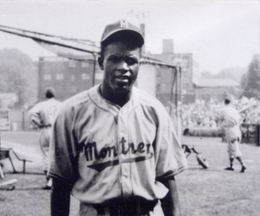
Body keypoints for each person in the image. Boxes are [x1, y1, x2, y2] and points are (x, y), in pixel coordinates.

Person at [49, 20, 188, 216]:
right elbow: (60, 185)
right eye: (114, 59)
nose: (123, 67)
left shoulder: (155, 110)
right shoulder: (71, 112)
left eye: (131, 60)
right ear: (100, 62)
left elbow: (166, 178)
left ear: (140, 64)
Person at [28, 88, 62, 189]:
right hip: (57, 130)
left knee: (46, 155)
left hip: (45, 129)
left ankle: (49, 181)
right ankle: (57, 180)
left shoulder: (42, 104)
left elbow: (31, 113)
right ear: (54, 95)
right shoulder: (60, 104)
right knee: (58, 155)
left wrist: (37, 123)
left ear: (45, 95)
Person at [220, 98, 246, 173]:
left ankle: (243, 164)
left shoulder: (224, 110)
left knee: (234, 149)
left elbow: (220, 118)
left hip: (230, 130)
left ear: (224, 102)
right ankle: (231, 166)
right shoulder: (233, 109)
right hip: (237, 129)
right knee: (230, 149)